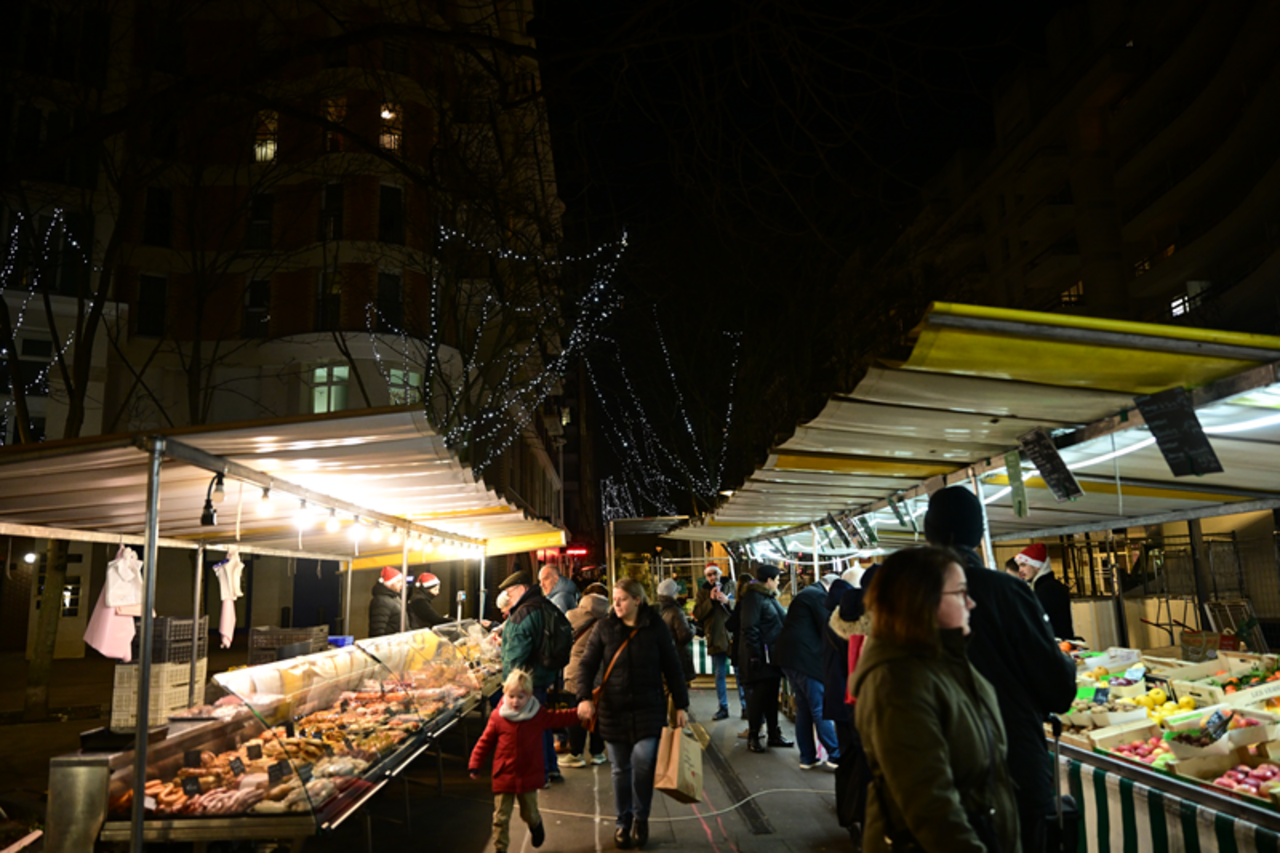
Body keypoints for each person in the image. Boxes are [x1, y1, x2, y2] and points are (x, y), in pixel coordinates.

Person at [925, 485, 1076, 853]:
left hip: (933, 778)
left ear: (928, 534)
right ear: (978, 535)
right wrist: (1066, 664)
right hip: (1012, 774)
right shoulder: (1006, 591)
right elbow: (1057, 689)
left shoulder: (899, 599)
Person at [851, 546, 1020, 853]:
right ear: (921, 602)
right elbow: (930, 804)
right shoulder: (896, 683)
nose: (971, 602)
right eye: (960, 593)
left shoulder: (949, 662)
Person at [574, 578, 689, 850]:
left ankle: (640, 817)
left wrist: (681, 705)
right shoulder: (604, 628)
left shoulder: (656, 627)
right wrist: (583, 697)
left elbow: (673, 666)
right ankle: (622, 821)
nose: (616, 604)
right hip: (614, 711)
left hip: (649, 707)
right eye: (614, 599)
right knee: (620, 769)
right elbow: (587, 663)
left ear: (638, 600)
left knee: (643, 761)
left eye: (622, 599)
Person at [470, 669, 582, 853]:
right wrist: (475, 764)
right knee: (500, 817)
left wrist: (578, 713)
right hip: (504, 773)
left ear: (529, 695)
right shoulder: (498, 717)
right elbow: (485, 741)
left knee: (528, 812)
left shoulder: (537, 715)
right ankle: (500, 849)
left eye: (520, 697)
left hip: (528, 773)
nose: (515, 701)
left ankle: (536, 824)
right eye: (511, 696)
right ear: (505, 694)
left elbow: (558, 718)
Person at [498, 570, 563, 785]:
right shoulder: (543, 605)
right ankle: (551, 768)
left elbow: (515, 656)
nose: (508, 597)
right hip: (543, 675)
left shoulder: (523, 613)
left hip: (528, 680)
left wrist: (510, 687)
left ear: (522, 589)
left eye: (510, 592)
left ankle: (539, 775)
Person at [776, 572, 841, 769]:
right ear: (830, 587)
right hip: (806, 660)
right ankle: (835, 754)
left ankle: (807, 756)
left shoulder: (807, 594)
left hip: (790, 659)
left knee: (804, 708)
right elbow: (829, 627)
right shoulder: (818, 596)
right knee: (819, 708)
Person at [739, 564, 793, 754]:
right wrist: (755, 655)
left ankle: (774, 734)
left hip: (772, 656)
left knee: (771, 697)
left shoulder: (768, 598)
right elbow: (750, 628)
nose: (778, 583)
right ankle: (754, 735)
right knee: (760, 698)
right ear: (769, 581)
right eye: (777, 579)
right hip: (762, 657)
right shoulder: (754, 598)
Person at [562, 586, 610, 768]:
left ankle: (576, 753)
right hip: (600, 670)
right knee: (597, 710)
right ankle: (597, 752)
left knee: (576, 712)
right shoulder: (608, 619)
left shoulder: (572, 615)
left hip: (576, 670)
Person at [693, 563, 735, 721]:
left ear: (720, 573)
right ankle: (723, 707)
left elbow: (741, 606)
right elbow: (698, 613)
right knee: (719, 674)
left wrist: (728, 601)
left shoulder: (731, 585)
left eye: (714, 574)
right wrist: (710, 601)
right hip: (715, 636)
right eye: (709, 575)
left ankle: (745, 706)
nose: (712, 578)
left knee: (739, 673)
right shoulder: (703, 592)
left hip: (732, 636)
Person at [1015, 544, 1075, 641]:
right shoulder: (1047, 586)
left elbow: (1031, 617)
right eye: (1019, 566)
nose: (1020, 570)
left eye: (1023, 565)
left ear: (1037, 566)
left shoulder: (1048, 589)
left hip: (1056, 646)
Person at [657, 578, 696, 690]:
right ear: (673, 594)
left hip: (661, 658)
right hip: (678, 657)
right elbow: (684, 636)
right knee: (678, 692)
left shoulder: (656, 610)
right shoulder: (676, 612)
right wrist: (693, 628)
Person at [725, 572, 754, 721]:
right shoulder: (755, 603)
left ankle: (746, 709)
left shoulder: (740, 605)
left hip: (740, 649)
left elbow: (730, 625)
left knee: (742, 681)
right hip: (752, 651)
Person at [367, 566, 405, 637]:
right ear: (389, 583)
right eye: (398, 581)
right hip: (390, 645)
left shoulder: (394, 598)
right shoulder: (381, 601)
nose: (402, 584)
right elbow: (377, 630)